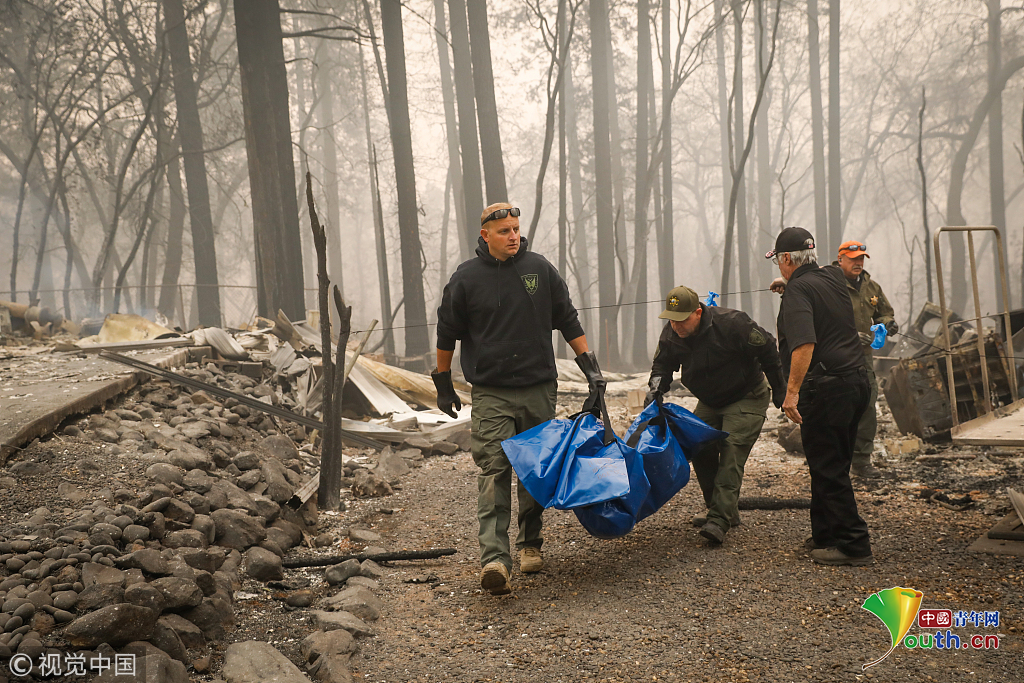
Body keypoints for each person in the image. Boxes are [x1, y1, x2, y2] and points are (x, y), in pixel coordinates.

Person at [432, 202, 605, 595]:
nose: (513, 236)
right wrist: (442, 382)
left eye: (515, 229)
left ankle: (530, 543)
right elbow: (447, 332)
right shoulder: (466, 278)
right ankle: (494, 560)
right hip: (491, 390)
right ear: (485, 235)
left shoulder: (539, 269)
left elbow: (568, 319)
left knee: (535, 468)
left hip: (537, 386)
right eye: (504, 231)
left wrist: (591, 370)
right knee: (494, 469)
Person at [644, 286, 785, 545]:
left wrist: (781, 389)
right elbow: (662, 365)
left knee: (732, 451)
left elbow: (767, 347)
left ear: (698, 313)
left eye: (682, 320)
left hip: (747, 394)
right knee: (699, 446)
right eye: (672, 320)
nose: (676, 326)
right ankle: (720, 509)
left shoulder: (732, 324)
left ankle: (719, 520)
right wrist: (655, 391)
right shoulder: (672, 333)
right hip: (710, 400)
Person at [767, 226, 873, 566]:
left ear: (787, 258)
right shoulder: (831, 277)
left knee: (829, 468)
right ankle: (825, 534)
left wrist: (791, 393)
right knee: (831, 462)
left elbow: (804, 344)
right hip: (856, 383)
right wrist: (790, 286)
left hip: (828, 389)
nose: (778, 266)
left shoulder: (799, 291)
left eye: (778, 261)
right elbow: (816, 289)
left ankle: (854, 544)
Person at [834, 240, 897, 479]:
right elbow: (819, 317)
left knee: (868, 406)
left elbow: (884, 312)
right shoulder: (829, 285)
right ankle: (835, 461)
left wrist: (888, 323)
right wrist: (848, 335)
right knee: (839, 408)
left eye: (861, 259)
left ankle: (861, 462)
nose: (858, 263)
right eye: (853, 259)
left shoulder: (872, 287)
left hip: (864, 357)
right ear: (840, 260)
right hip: (835, 358)